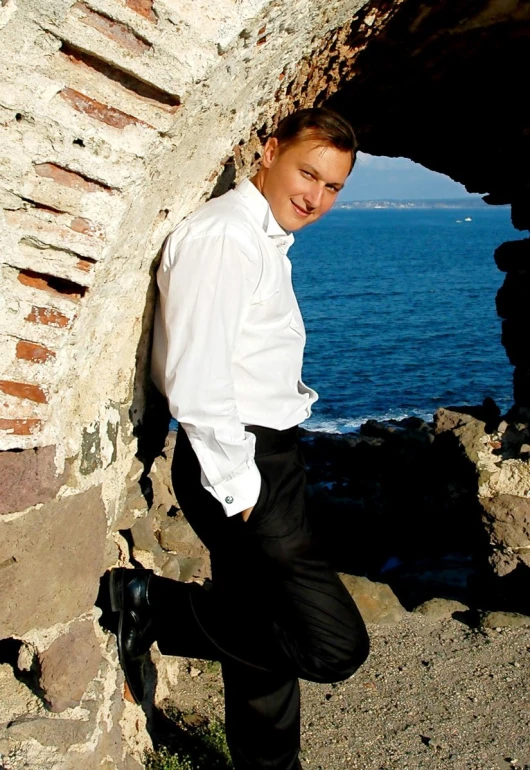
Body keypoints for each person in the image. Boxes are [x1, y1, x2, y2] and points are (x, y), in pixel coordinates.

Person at [109, 107, 369, 770]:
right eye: (308, 173)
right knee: (333, 645)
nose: (316, 197)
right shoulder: (224, 236)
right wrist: (241, 486)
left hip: (270, 452)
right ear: (271, 150)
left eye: (333, 186)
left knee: (260, 630)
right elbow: (193, 375)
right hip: (242, 462)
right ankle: (149, 606)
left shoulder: (261, 239)